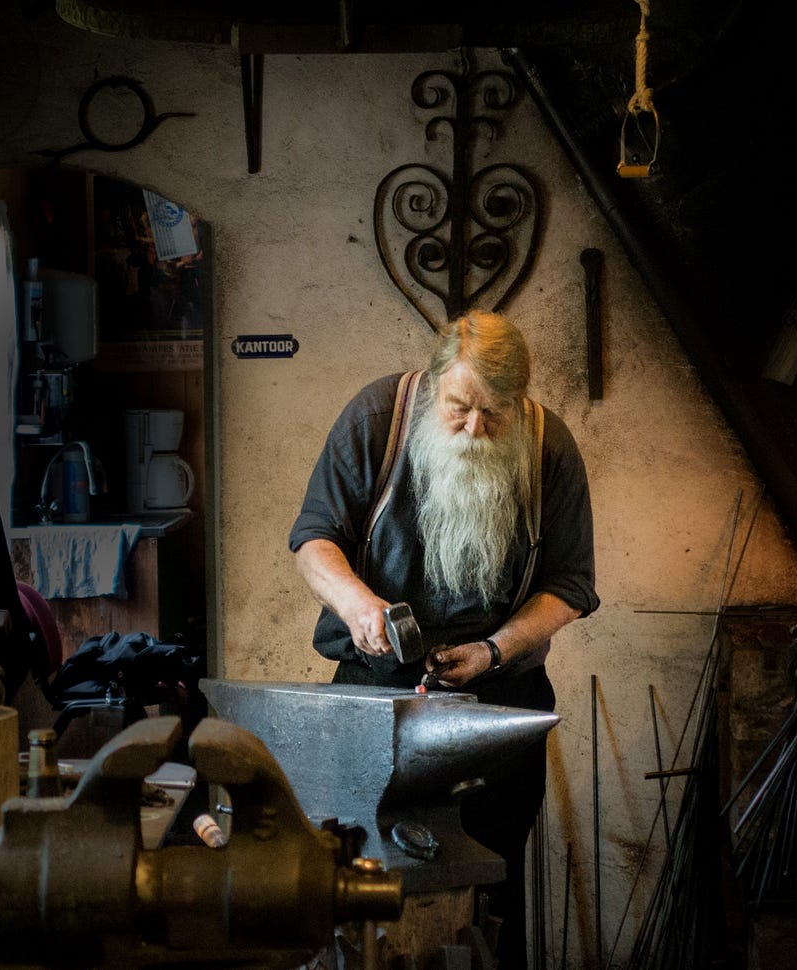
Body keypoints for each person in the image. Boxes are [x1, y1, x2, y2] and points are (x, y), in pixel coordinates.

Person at [288, 310, 598, 970]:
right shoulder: (378, 418)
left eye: (496, 413)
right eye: (460, 408)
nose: (476, 429)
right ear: (433, 389)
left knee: (488, 887)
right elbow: (315, 542)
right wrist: (359, 605)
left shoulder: (551, 447)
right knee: (361, 884)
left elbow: (571, 585)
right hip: (375, 698)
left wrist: (495, 650)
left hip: (497, 700)